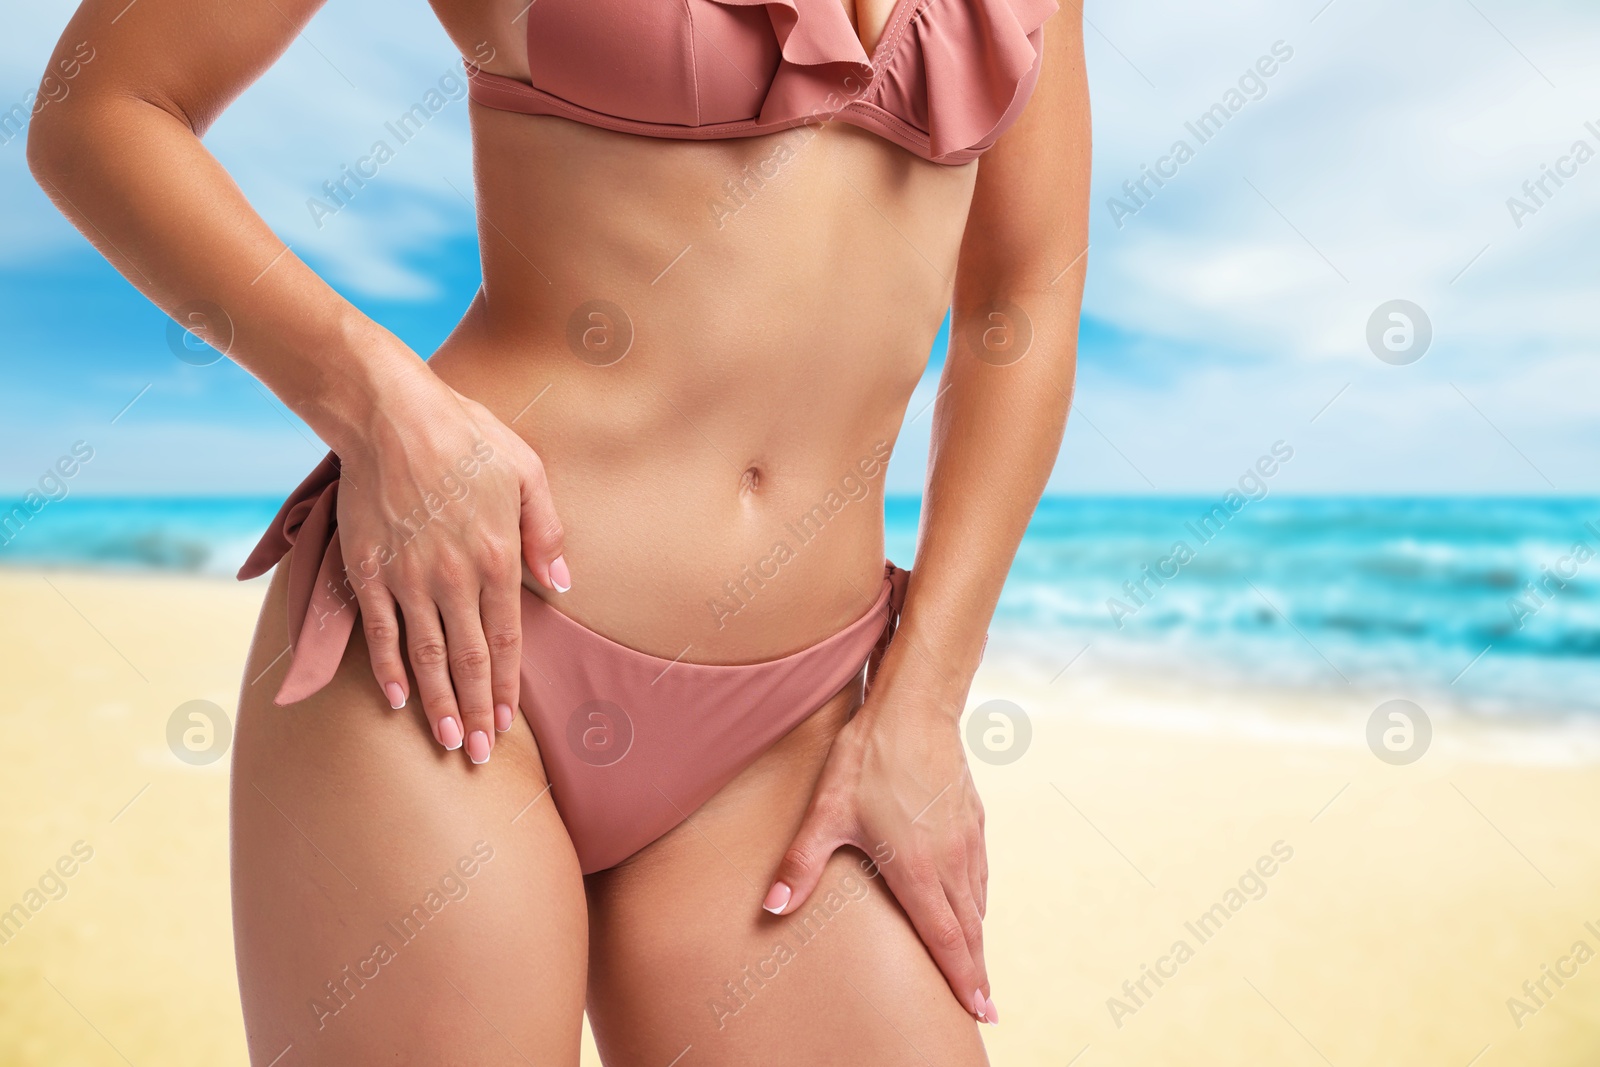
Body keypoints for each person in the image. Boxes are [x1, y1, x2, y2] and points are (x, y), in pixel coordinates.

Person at [28, 0, 1088, 1061]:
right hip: (456, 643)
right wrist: (376, 399)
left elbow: (1023, 292)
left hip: (793, 727)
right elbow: (101, 107)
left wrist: (924, 700)